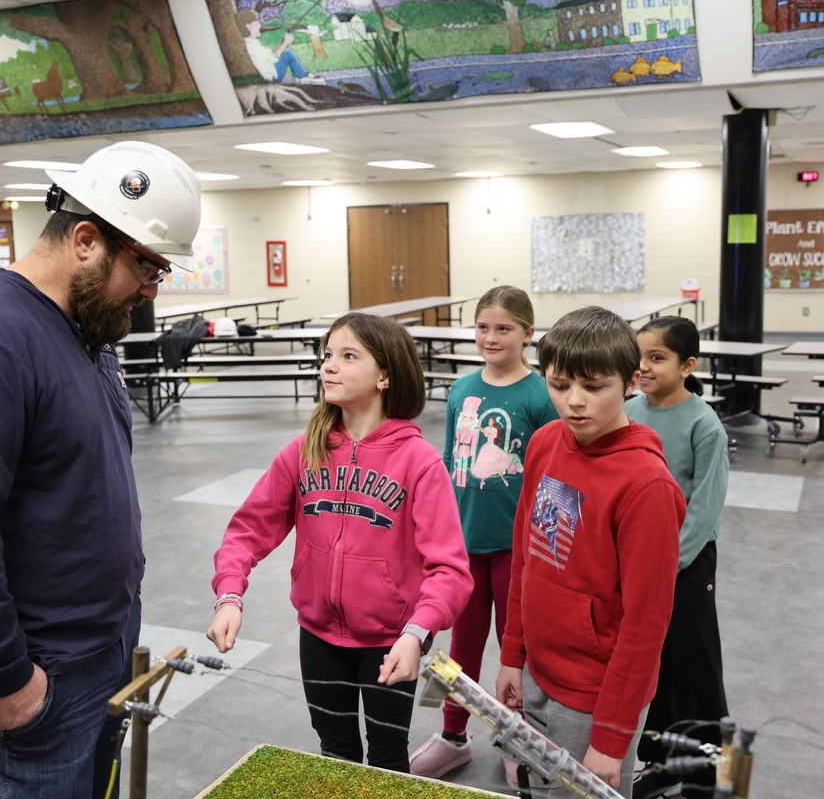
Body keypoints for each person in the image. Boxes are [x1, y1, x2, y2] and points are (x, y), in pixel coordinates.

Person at [0, 141, 201, 799]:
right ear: (88, 240)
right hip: (39, 674)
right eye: (149, 269)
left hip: (99, 643)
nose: (153, 291)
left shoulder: (85, 329)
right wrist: (8, 679)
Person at [205, 312, 472, 772]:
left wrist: (417, 632)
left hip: (392, 641)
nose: (328, 365)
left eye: (348, 356)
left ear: (385, 375)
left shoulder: (419, 462)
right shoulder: (303, 450)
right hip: (319, 636)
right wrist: (230, 593)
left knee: (388, 762)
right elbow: (248, 529)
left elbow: (448, 568)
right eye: (328, 354)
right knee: (337, 757)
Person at [495, 306, 686, 798]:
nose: (574, 402)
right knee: (531, 789)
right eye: (559, 386)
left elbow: (646, 624)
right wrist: (512, 654)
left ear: (631, 381)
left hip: (593, 699)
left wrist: (613, 736)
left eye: (593, 387)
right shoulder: (544, 443)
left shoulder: (647, 487)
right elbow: (525, 557)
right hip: (536, 670)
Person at [410, 286, 558, 779]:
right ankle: (454, 735)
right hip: (465, 546)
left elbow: (553, 473)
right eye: (483, 327)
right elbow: (451, 463)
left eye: (504, 329)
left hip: (518, 551)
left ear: (527, 334)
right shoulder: (460, 390)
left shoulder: (540, 395)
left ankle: (517, 740)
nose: (491, 338)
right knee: (464, 647)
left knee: (518, 651)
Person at [625, 316, 730, 798]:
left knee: (694, 665)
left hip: (684, 567)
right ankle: (662, 762)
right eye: (639, 356)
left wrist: (666, 566)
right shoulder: (627, 411)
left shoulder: (704, 425)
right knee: (652, 664)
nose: (643, 367)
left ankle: (707, 772)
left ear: (688, 365)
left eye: (657, 358)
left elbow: (705, 509)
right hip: (633, 563)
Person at [236, 8, 327, 85]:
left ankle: (303, 76)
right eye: (256, 24)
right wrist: (285, 43)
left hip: (267, 76)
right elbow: (273, 58)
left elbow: (271, 55)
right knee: (287, 53)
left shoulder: (250, 43)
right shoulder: (252, 46)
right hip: (270, 80)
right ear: (248, 27)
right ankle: (303, 77)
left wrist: (283, 43)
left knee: (285, 52)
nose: (260, 25)